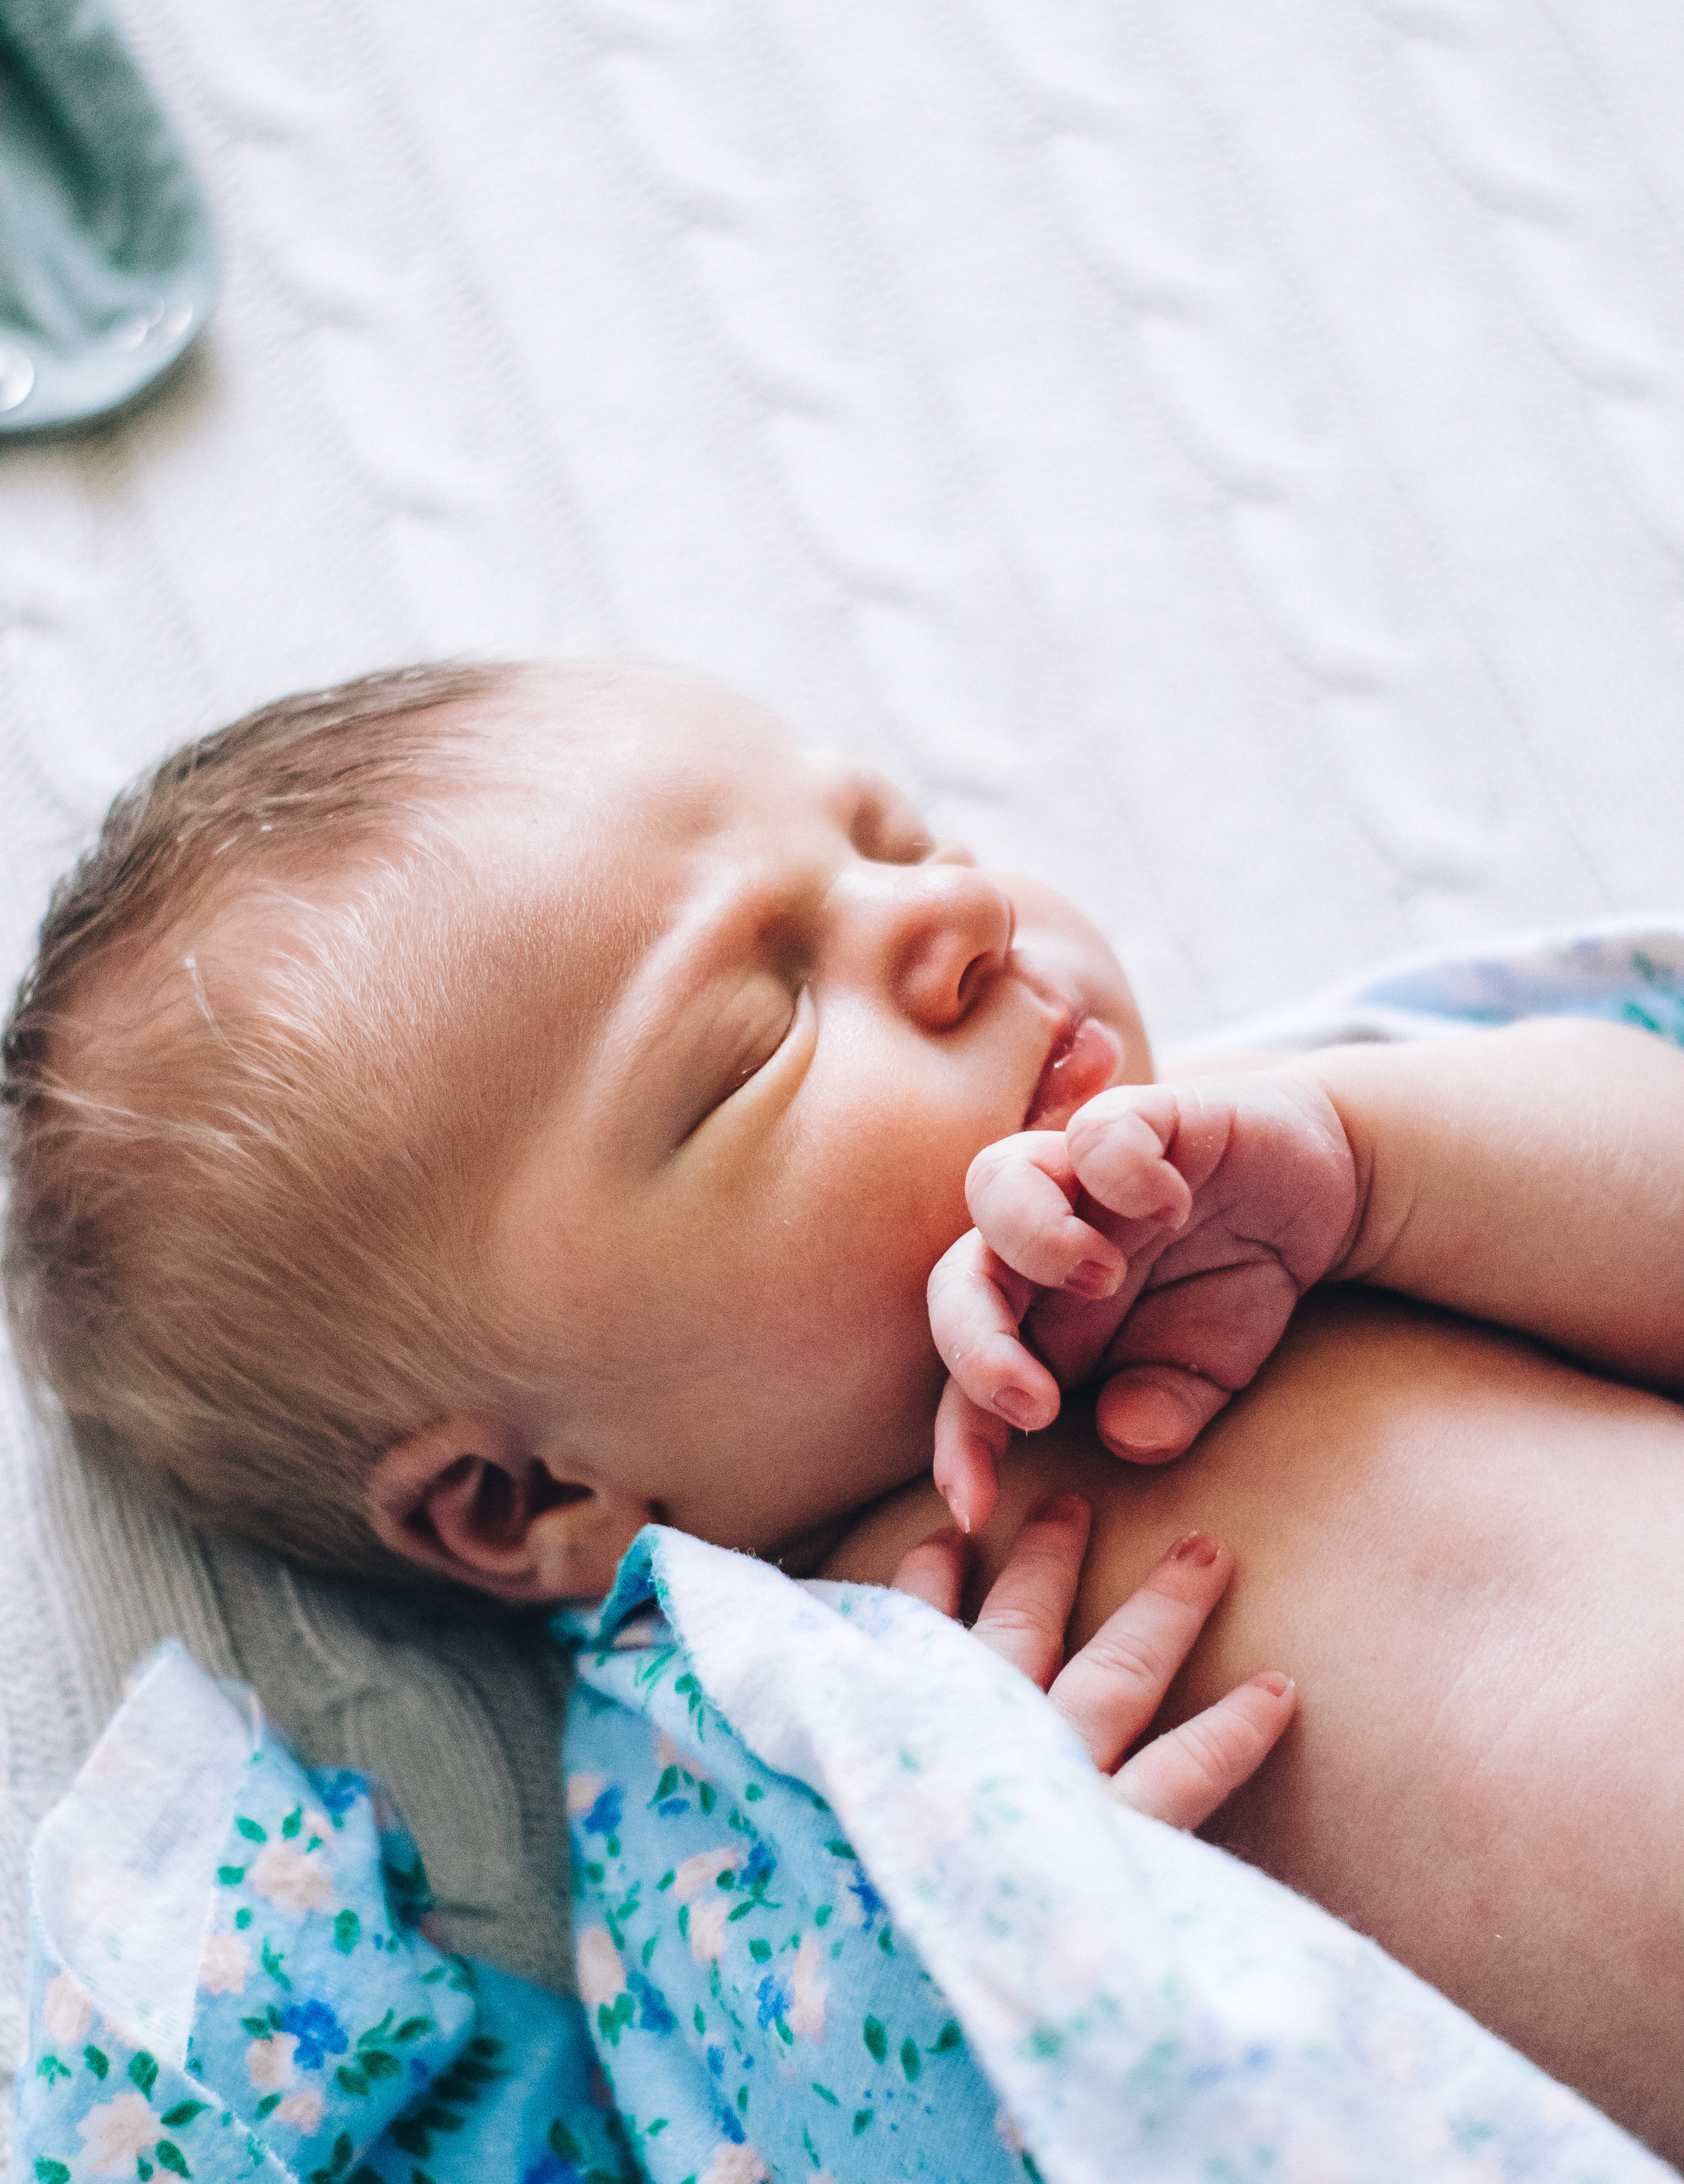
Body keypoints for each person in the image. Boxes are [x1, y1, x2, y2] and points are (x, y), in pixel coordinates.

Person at [7, 658, 1684, 2156]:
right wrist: (1036, 1922)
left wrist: (1383, 1169)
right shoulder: (740, 1796)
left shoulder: (1268, 1152)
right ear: (521, 1502)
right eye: (757, 1036)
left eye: (896, 836)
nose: (949, 915)